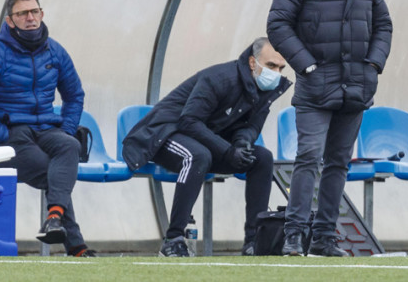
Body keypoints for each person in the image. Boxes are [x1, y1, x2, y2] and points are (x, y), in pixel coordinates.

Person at [267, 0, 393, 257]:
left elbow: (383, 26)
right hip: (314, 86)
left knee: (339, 162)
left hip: (356, 86)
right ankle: (294, 235)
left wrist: (373, 65)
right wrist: (306, 65)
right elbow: (278, 25)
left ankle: (324, 238)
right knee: (308, 157)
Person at [0, 0, 94, 257]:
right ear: (10, 20)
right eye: (23, 13)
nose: (31, 18)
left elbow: (74, 96)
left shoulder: (56, 51)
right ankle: (76, 247)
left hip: (46, 129)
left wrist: (65, 130)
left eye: (35, 12)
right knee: (53, 171)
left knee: (69, 146)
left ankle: (55, 220)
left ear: (41, 14)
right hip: (10, 135)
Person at [121, 37, 291, 257]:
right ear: (252, 62)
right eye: (270, 66)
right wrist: (227, 150)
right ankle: (173, 239)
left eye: (280, 67)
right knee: (198, 156)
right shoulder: (220, 78)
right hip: (163, 134)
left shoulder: (266, 89)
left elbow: (251, 127)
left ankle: (254, 242)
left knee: (262, 158)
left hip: (203, 140)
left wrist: (240, 145)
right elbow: (189, 121)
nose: (276, 73)